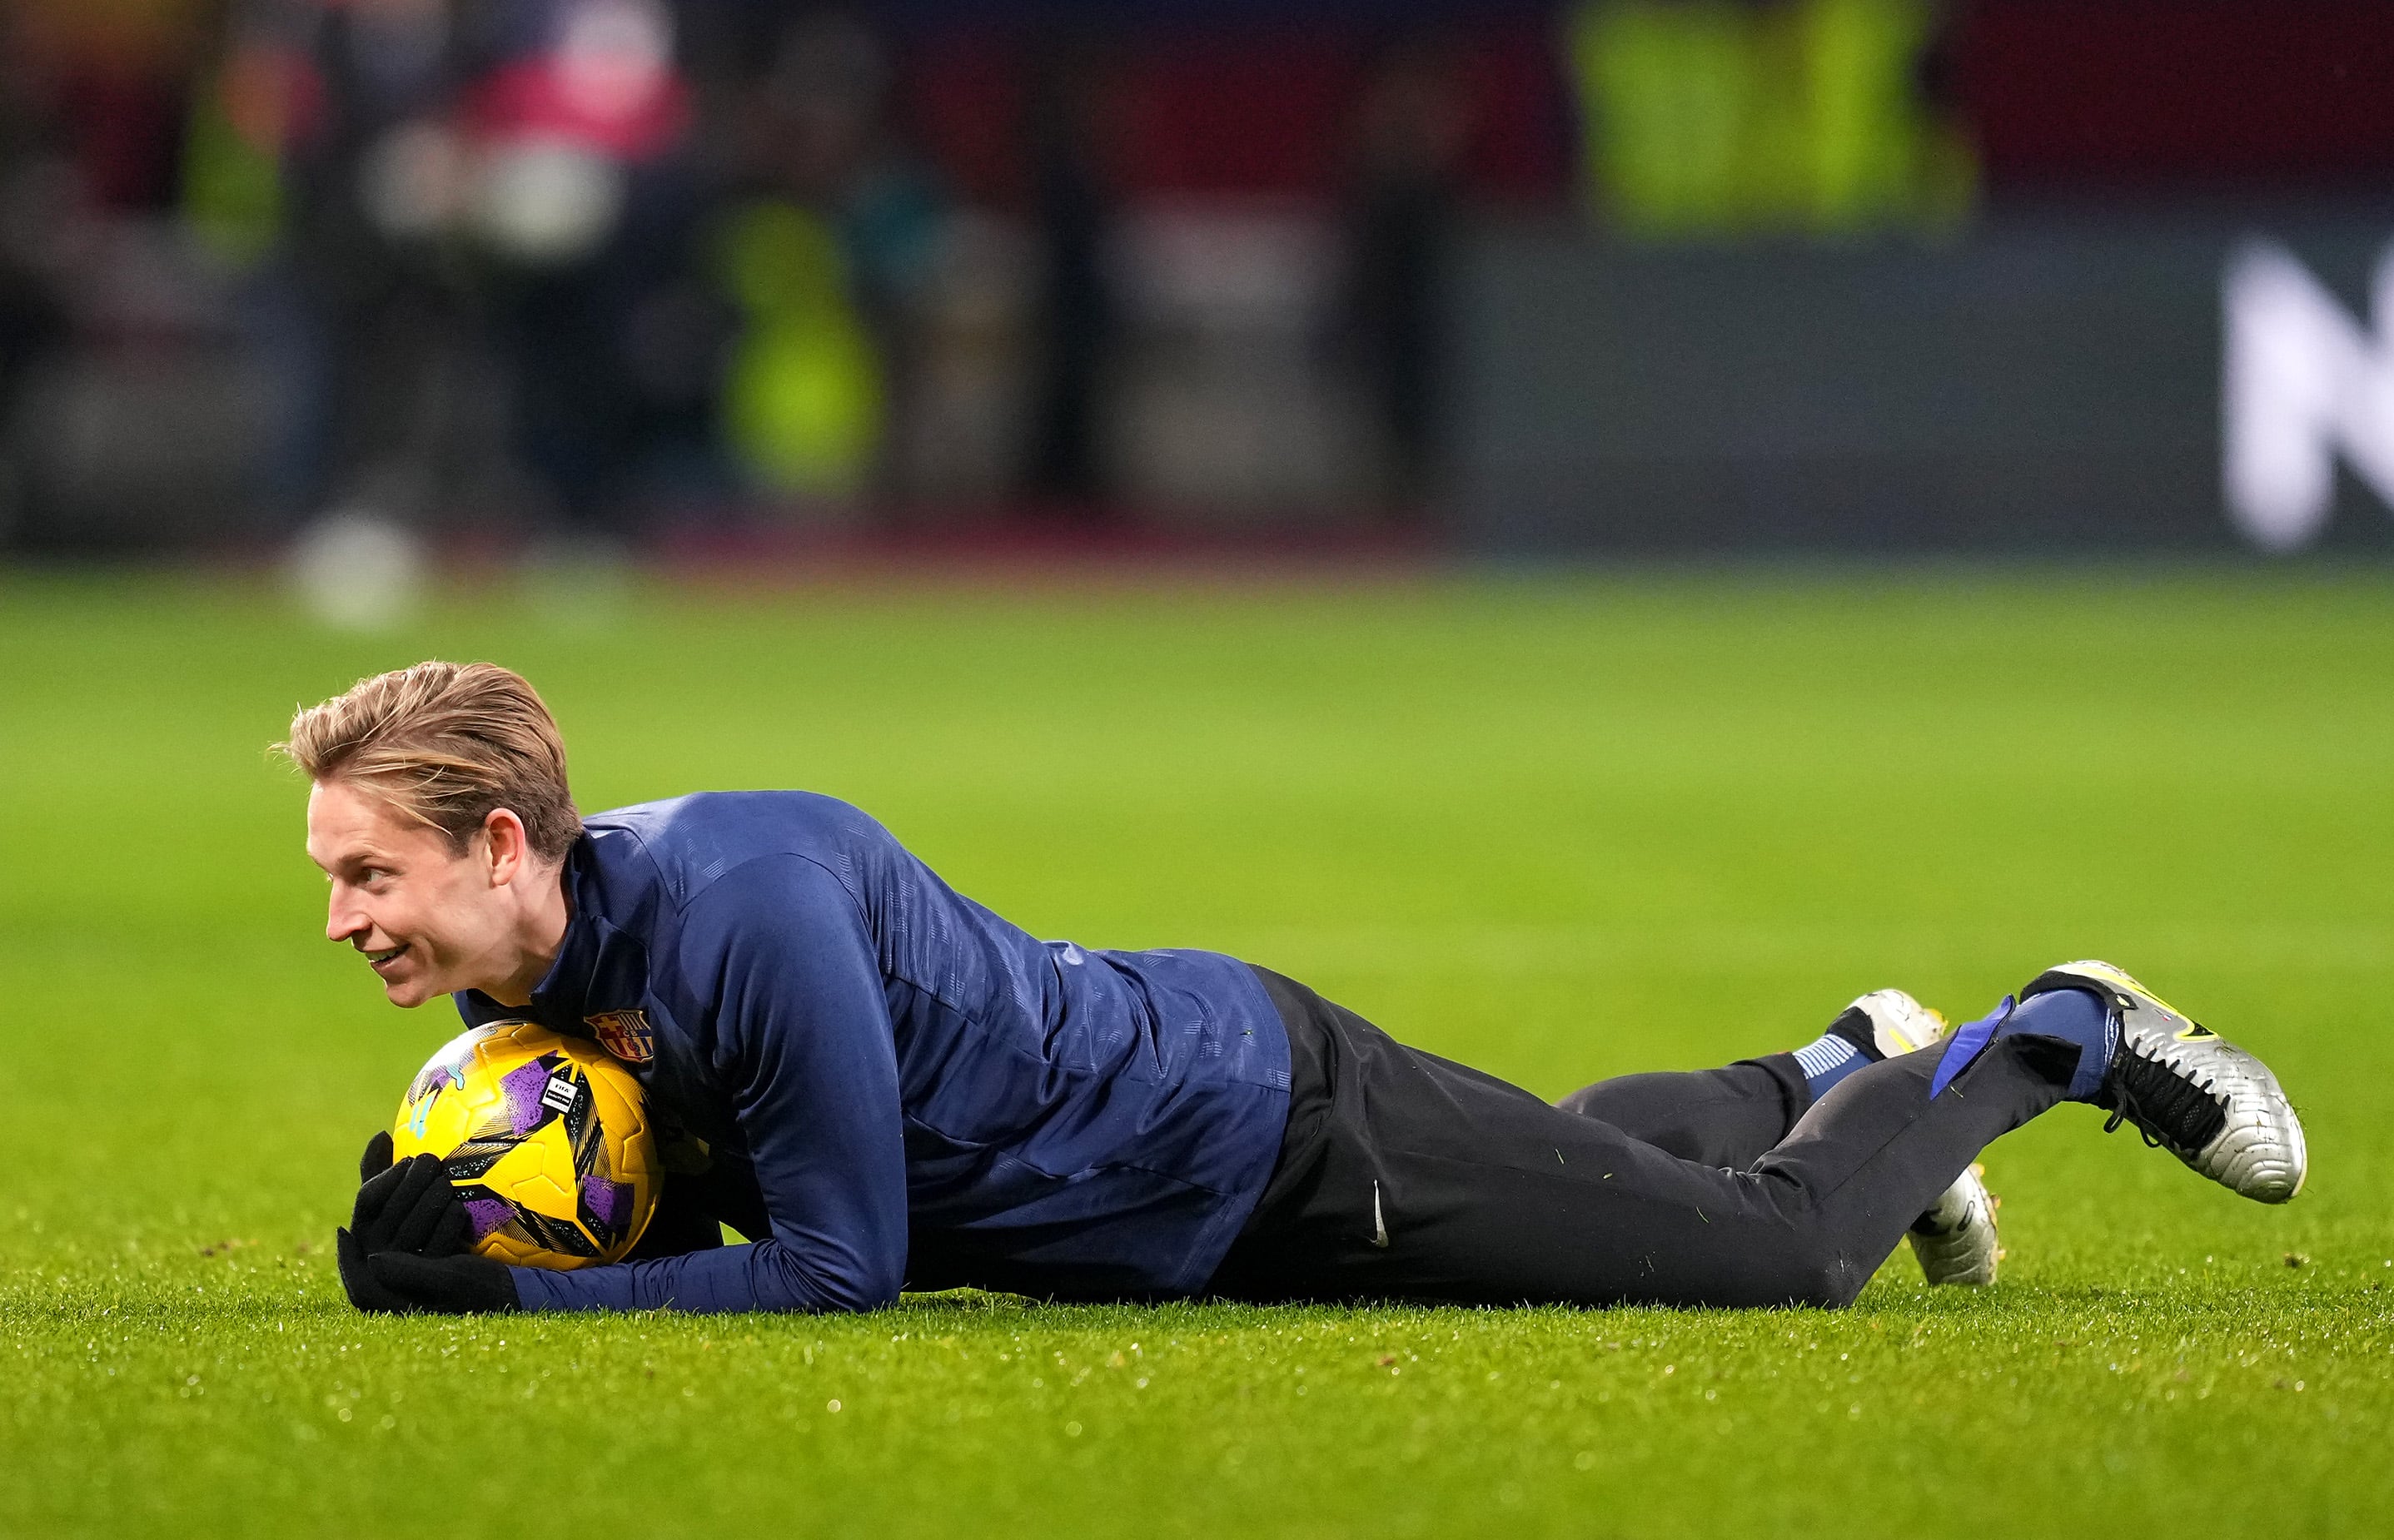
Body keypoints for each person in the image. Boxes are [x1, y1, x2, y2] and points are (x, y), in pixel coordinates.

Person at [289, 662, 2307, 1317]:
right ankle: (1835, 1058)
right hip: (1202, 1177)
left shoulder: (740, 903)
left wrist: (520, 1296)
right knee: (1580, 1182)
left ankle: (2046, 1031)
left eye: (369, 871)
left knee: (1769, 1265)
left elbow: (837, 1264)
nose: (342, 917)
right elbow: (701, 1171)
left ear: (498, 843)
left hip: (1261, 1132)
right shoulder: (558, 986)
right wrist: (467, 1218)